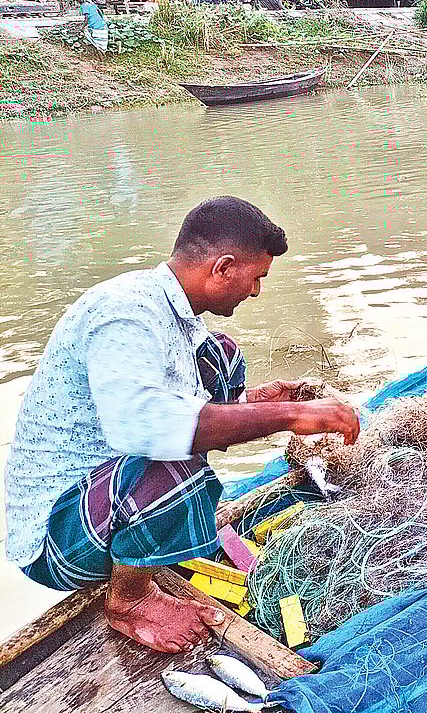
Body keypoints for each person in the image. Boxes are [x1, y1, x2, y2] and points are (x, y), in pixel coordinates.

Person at [4, 197, 359, 653]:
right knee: (178, 467)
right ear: (223, 267)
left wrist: (257, 401)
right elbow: (150, 428)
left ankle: (154, 532)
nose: (255, 292)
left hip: (105, 485)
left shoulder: (170, 306)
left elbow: (180, 401)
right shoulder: (125, 313)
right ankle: (129, 600)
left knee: (221, 356)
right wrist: (292, 416)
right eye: (257, 279)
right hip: (56, 537)